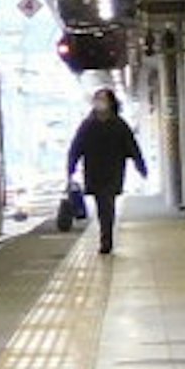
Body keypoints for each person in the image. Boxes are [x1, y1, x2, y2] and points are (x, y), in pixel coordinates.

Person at [65, 85, 151, 253]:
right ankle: (106, 237)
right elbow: (76, 147)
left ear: (111, 103)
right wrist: (71, 167)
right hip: (94, 172)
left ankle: (106, 239)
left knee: (107, 204)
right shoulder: (87, 125)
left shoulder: (119, 125)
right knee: (102, 205)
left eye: (103, 99)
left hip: (113, 171)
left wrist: (141, 166)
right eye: (97, 100)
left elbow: (132, 147)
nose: (100, 103)